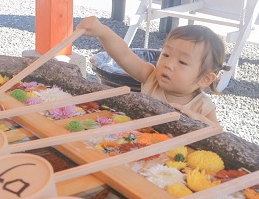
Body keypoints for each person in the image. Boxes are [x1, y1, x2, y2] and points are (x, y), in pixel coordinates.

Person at [77, 17, 229, 124]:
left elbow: (219, 135)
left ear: (205, 79)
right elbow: (123, 54)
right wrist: (103, 32)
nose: (168, 64)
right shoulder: (151, 77)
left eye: (182, 61)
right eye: (166, 54)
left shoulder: (202, 106)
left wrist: (198, 120)